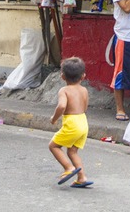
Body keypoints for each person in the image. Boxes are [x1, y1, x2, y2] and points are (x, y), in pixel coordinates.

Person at [49, 57, 93, 188]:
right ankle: (82, 178)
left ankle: (68, 167)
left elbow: (62, 106)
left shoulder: (64, 90)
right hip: (83, 122)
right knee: (72, 151)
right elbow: (85, 107)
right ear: (83, 76)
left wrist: (54, 118)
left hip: (72, 123)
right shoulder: (84, 90)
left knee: (53, 146)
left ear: (62, 76)